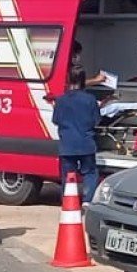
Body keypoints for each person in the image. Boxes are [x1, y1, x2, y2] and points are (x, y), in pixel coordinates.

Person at [53, 69, 110, 203]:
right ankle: (87, 200)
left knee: (67, 176)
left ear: (68, 79)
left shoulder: (60, 100)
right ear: (83, 81)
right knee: (90, 173)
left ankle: (68, 202)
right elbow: (96, 120)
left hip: (67, 145)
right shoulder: (90, 99)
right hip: (86, 144)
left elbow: (56, 120)